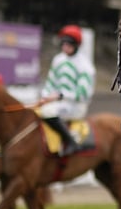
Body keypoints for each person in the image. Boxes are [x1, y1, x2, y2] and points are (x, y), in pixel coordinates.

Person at [39, 25, 95, 156]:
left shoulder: (85, 65)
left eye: (69, 44)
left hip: (76, 106)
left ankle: (71, 142)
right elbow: (50, 82)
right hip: (58, 102)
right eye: (63, 44)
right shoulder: (58, 60)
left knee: (47, 112)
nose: (65, 47)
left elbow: (83, 94)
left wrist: (60, 96)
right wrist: (45, 96)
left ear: (76, 45)